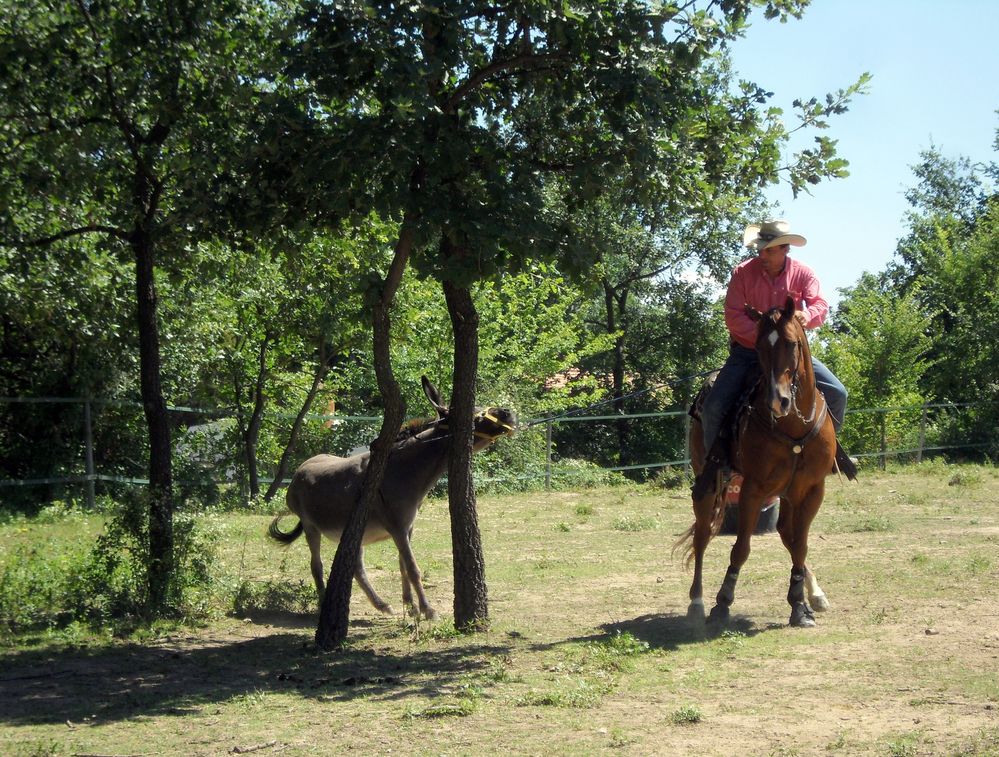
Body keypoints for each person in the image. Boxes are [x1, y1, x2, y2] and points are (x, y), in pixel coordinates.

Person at [694, 219, 850, 498]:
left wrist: (807, 316)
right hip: (748, 352)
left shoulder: (803, 273)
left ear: (785, 249)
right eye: (760, 249)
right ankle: (717, 467)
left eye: (768, 250)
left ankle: (825, 452)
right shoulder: (743, 273)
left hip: (790, 354)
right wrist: (766, 337)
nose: (761, 255)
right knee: (713, 407)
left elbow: (820, 305)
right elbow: (733, 314)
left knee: (837, 393)